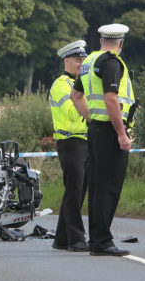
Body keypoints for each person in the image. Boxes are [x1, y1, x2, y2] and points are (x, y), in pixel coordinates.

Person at [70, 24, 136, 256]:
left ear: (100, 41)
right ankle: (102, 242)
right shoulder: (111, 62)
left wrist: (91, 118)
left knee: (98, 188)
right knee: (108, 188)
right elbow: (111, 99)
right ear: (120, 43)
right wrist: (121, 133)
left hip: (96, 130)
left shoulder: (89, 62)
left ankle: (98, 240)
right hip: (110, 131)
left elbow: (75, 96)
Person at [49, 40, 90, 252]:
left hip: (84, 141)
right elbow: (72, 112)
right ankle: (76, 240)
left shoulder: (82, 85)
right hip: (70, 142)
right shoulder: (61, 85)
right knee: (74, 192)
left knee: (76, 192)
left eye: (83, 59)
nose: (80, 63)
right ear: (66, 61)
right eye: (76, 59)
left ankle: (61, 239)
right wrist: (89, 102)